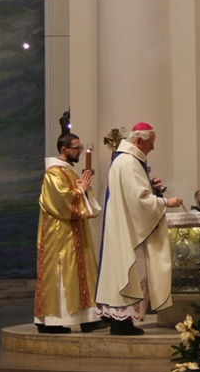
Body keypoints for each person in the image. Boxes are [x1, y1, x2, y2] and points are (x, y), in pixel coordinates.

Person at [95, 122, 184, 335]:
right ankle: (122, 322)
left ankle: (122, 321)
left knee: (123, 272)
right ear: (139, 141)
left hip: (123, 226)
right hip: (129, 231)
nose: (152, 148)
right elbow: (139, 201)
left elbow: (132, 194)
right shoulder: (129, 162)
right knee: (132, 271)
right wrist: (165, 202)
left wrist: (151, 188)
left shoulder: (123, 160)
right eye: (150, 144)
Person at [34, 133, 106, 334]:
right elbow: (60, 202)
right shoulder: (53, 173)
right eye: (76, 148)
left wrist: (83, 190)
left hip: (74, 233)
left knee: (81, 274)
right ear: (64, 149)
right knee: (61, 275)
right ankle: (53, 321)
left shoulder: (69, 172)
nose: (80, 151)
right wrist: (80, 191)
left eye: (81, 147)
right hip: (59, 236)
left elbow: (82, 194)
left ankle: (88, 318)